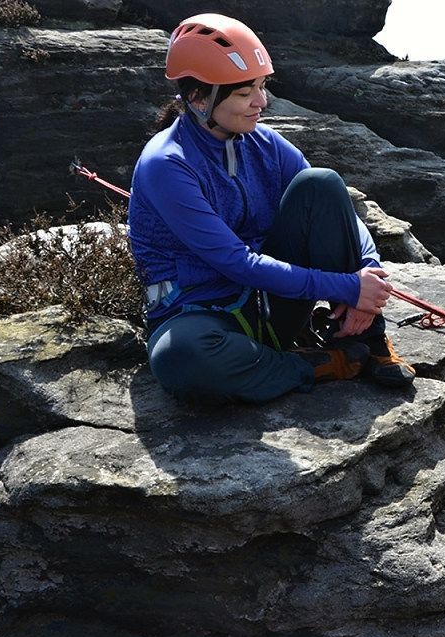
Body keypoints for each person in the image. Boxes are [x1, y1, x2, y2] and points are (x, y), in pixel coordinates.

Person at [128, 13, 414, 404]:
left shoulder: (264, 143)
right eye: (245, 94)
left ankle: (367, 336)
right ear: (198, 98)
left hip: (273, 305)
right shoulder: (167, 164)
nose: (262, 102)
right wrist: (346, 286)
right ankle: (312, 364)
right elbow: (237, 264)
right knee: (179, 358)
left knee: (321, 184)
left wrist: (367, 272)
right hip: (202, 315)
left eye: (262, 87)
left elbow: (334, 208)